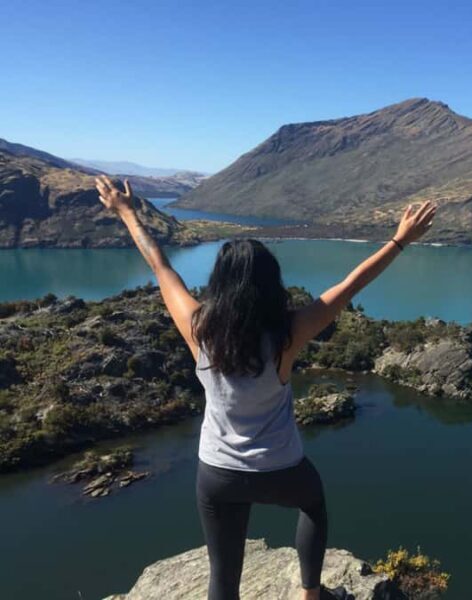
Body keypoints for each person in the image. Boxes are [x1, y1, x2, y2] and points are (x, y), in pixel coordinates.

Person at [95, 175, 437, 600]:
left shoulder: (198, 329)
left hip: (217, 473)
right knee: (313, 506)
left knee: (223, 573)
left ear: (219, 283)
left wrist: (127, 212)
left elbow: (161, 266)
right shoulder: (287, 335)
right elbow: (350, 286)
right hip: (281, 468)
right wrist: (400, 241)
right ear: (270, 283)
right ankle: (309, 593)